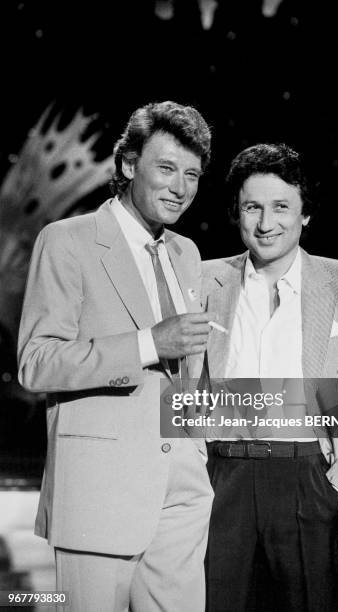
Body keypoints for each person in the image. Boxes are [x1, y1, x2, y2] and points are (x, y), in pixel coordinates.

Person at [17, 101, 215, 612]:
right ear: (128, 165)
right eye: (166, 168)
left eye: (192, 174)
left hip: (185, 494)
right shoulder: (68, 240)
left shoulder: (187, 254)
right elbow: (37, 362)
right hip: (100, 496)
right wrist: (150, 343)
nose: (181, 187)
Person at [199, 143, 338, 611]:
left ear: (305, 214)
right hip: (220, 476)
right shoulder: (205, 280)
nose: (266, 223)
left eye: (281, 207)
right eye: (253, 207)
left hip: (308, 475)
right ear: (237, 212)